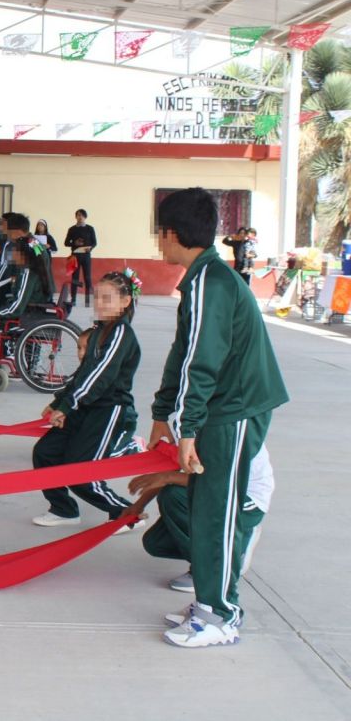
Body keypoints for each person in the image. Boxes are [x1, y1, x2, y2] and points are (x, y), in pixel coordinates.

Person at [149, 187, 288, 648]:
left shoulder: (212, 282)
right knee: (208, 510)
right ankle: (209, 605)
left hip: (234, 409)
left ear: (172, 233)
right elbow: (183, 355)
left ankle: (222, 616)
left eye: (159, 233)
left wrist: (185, 427)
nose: (157, 243)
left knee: (219, 512)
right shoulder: (202, 278)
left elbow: (202, 361)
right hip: (220, 410)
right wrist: (162, 413)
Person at [31, 271, 143, 531]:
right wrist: (60, 401)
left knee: (81, 472)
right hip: (85, 406)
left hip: (109, 411)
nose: (100, 303)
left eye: (108, 298)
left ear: (125, 302)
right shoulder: (99, 331)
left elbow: (100, 375)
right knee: (45, 453)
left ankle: (127, 514)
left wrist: (68, 406)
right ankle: (64, 510)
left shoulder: (121, 334)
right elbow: (84, 372)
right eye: (97, 297)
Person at [126, 444, 274, 597]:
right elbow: (174, 468)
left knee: (174, 496)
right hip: (216, 490)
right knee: (156, 543)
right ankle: (224, 552)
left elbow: (219, 482)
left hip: (244, 501)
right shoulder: (188, 424)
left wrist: (168, 478)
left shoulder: (227, 429)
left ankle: (215, 569)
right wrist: (138, 506)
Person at [0, 235, 51, 390]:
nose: (11, 256)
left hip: (26, 319)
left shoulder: (27, 273)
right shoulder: (36, 270)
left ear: (23, 255)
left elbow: (18, 306)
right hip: (32, 314)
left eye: (14, 252)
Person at [65, 209, 97, 307]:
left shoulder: (90, 228)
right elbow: (66, 243)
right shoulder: (72, 229)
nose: (80, 217)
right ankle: (73, 299)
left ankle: (88, 300)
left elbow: (95, 243)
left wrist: (90, 248)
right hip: (75, 256)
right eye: (78, 215)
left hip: (86, 256)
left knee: (87, 277)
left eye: (82, 215)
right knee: (75, 278)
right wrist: (74, 243)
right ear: (76, 217)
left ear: (85, 217)